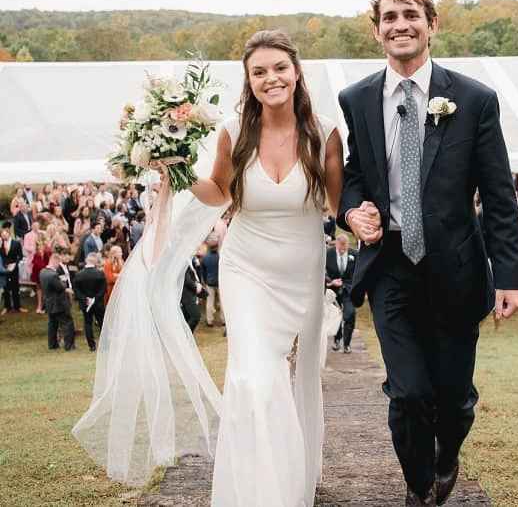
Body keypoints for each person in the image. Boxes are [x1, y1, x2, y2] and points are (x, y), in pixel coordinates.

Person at [73, 29, 344, 507]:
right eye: (258, 71)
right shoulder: (235, 132)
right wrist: (176, 170)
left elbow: (339, 205)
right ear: (248, 80)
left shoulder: (324, 133)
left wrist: (363, 218)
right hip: (246, 269)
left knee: (296, 378)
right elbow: (219, 192)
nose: (271, 78)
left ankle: (290, 479)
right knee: (253, 377)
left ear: (296, 71)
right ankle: (264, 493)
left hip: (301, 272)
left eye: (279, 68)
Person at [336, 0, 518, 506]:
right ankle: (419, 485)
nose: (400, 25)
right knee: (408, 393)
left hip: (456, 268)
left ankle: (446, 458)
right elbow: (355, 172)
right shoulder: (356, 99)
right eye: (389, 17)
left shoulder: (475, 99)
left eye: (410, 14)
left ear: (431, 24)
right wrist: (352, 210)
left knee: (455, 398)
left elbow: (499, 195)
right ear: (377, 31)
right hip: (390, 266)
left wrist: (509, 277)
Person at [325, 233, 357, 353]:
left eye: (345, 247)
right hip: (333, 290)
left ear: (348, 244)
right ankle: (337, 340)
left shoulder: (355, 254)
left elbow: (358, 272)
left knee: (350, 314)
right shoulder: (328, 254)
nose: (343, 250)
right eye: (340, 247)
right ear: (336, 244)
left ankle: (347, 344)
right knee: (335, 314)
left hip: (348, 290)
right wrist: (330, 281)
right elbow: (322, 271)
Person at [40, 250, 76, 351]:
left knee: (52, 324)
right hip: (59, 303)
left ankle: (52, 344)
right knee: (67, 323)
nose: (58, 265)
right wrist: (64, 285)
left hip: (49, 302)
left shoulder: (43, 272)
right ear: (54, 261)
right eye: (57, 263)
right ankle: (69, 345)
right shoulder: (53, 275)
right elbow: (60, 287)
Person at [73, 252, 106, 352]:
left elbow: (76, 290)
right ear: (95, 261)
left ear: (86, 261)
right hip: (98, 303)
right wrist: (95, 298)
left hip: (85, 303)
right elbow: (103, 289)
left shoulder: (78, 275)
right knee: (101, 322)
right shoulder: (100, 274)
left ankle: (91, 345)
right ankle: (105, 344)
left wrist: (84, 298)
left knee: (88, 323)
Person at [1, 222, 26, 314]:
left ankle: (17, 306)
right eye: (2, 235)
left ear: (9, 234)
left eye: (5, 235)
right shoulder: (0, 244)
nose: (3, 237)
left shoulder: (16, 243)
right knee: (6, 288)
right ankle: (7, 307)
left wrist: (15, 263)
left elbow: (21, 256)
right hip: (4, 269)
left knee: (15, 287)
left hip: (14, 268)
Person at [200, 241, 223, 329]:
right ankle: (223, 320)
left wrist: (205, 281)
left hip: (209, 282)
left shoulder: (205, 258)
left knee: (209, 302)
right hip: (220, 282)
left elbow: (203, 272)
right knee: (222, 302)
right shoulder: (221, 257)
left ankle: (209, 321)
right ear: (217, 247)